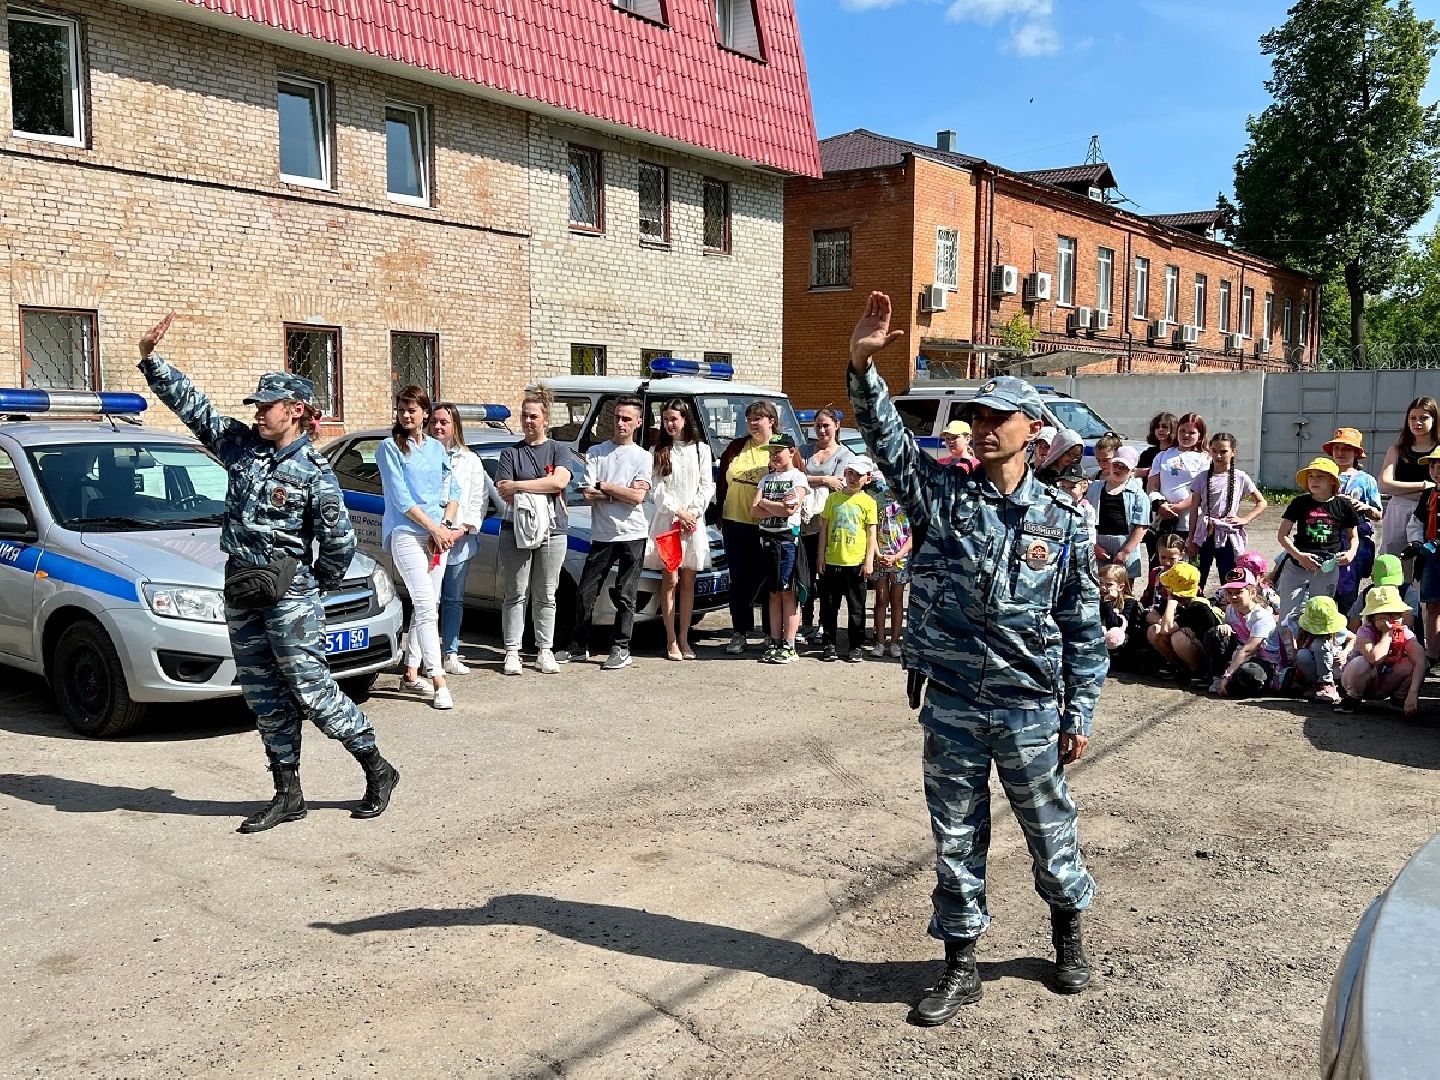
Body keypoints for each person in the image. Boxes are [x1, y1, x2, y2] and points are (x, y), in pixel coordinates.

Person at [846, 291, 1105, 1023]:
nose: (985, 429)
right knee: (955, 834)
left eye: (1000, 419)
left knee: (1049, 828)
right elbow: (889, 442)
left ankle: (1068, 937)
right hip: (955, 699)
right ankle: (960, 964)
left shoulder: (1064, 521)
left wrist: (1078, 708)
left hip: (1028, 704)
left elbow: (1081, 625)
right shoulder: (942, 498)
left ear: (1033, 430)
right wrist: (863, 364)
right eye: (978, 419)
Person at [135, 313, 398, 832]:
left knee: (310, 688)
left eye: (266, 406)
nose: (257, 414)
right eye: (256, 406)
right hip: (241, 586)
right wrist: (152, 360)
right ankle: (287, 793)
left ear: (295, 411)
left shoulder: (314, 472)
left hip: (288, 594)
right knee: (262, 694)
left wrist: (308, 583)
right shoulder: (242, 448)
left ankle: (377, 766)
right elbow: (197, 412)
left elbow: (340, 543)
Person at [378, 386, 458, 710]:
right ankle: (438, 679)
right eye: (401, 409)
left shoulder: (437, 449)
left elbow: (452, 487)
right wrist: (433, 528)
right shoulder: (389, 448)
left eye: (412, 409)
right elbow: (401, 499)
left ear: (425, 412)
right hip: (407, 533)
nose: (406, 415)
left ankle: (411, 673)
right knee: (425, 604)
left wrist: (446, 527)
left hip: (437, 536)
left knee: (429, 602)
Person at [560, 396, 652, 671]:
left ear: (638, 422)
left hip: (632, 533)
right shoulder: (597, 452)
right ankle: (578, 645)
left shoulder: (642, 456)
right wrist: (616, 491)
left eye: (626, 419)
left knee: (626, 593)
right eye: (617, 418)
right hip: (602, 535)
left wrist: (606, 487)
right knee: (585, 591)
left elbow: (637, 496)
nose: (620, 423)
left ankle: (621, 647)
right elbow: (588, 493)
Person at [495, 388, 574, 676]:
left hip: (554, 530)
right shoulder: (510, 453)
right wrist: (535, 484)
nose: (528, 421)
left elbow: (559, 483)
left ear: (545, 420)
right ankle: (512, 651)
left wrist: (519, 485)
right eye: (524, 416)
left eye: (534, 416)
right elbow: (503, 490)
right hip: (515, 529)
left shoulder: (558, 449)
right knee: (515, 593)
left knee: (546, 593)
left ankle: (544, 650)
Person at [430, 403, 503, 675]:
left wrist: (461, 530)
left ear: (454, 426)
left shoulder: (470, 460)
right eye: (434, 421)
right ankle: (427, 657)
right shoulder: (422, 455)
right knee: (428, 600)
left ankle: (450, 652)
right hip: (427, 537)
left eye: (444, 422)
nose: (438, 427)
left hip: (458, 539)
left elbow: (478, 500)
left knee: (453, 599)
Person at [648, 399, 715, 661]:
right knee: (670, 580)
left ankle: (685, 637)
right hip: (669, 522)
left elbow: (706, 485)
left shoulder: (701, 450)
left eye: (674, 419)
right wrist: (679, 512)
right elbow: (657, 489)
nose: (670, 424)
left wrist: (694, 513)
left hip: (693, 524)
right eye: (665, 419)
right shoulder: (659, 450)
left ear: (685, 419)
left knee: (688, 580)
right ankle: (670, 639)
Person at [717, 401, 782, 653]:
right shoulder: (736, 447)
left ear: (771, 421)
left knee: (768, 581)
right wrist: (720, 512)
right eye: (750, 419)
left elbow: (795, 478)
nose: (753, 423)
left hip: (767, 525)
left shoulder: (781, 446)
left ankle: (770, 633)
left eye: (758, 418)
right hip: (735, 523)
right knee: (739, 581)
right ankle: (740, 632)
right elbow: (722, 482)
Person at [1276, 457, 1359, 623]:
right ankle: (1289, 649)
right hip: (1297, 566)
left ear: (1332, 481)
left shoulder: (1343, 505)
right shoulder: (1300, 503)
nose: (1314, 480)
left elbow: (1353, 536)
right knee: (1287, 615)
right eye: (1311, 476)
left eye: (1320, 476)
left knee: (1321, 614)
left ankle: (1315, 648)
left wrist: (1351, 553)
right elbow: (1282, 535)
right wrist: (1299, 555)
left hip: (1326, 568)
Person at [1180, 433, 1267, 589]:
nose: (1218, 455)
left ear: (1233, 451)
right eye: (1214, 451)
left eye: (1223, 451)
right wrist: (1191, 538)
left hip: (1228, 534)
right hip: (1204, 533)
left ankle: (1228, 609)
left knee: (1229, 577)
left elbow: (1261, 502)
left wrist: (1245, 519)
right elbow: (1194, 511)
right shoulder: (1202, 477)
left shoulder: (1240, 477)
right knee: (1196, 576)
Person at [799, 406, 855, 644]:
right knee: (805, 576)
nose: (821, 430)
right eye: (818, 426)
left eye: (826, 426)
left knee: (826, 579)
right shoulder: (803, 450)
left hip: (829, 525)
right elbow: (794, 475)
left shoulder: (845, 455)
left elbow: (840, 484)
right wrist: (823, 479)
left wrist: (810, 480)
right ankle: (806, 622)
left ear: (836, 426)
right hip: (804, 523)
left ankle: (824, 623)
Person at [751, 434, 809, 663]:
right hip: (766, 540)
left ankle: (790, 644)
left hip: (787, 542)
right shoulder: (766, 480)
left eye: (778, 451)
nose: (773, 455)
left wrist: (765, 503)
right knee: (773, 593)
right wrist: (771, 505)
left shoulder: (798, 478)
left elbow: (790, 510)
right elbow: (753, 511)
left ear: (791, 452)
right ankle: (775, 640)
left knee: (788, 593)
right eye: (771, 452)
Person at [817, 458, 878, 662]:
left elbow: (871, 534)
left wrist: (868, 561)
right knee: (829, 606)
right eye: (850, 473)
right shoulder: (833, 499)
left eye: (858, 475)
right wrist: (820, 556)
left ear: (867, 479)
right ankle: (829, 643)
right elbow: (824, 529)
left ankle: (856, 645)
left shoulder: (869, 503)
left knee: (856, 607)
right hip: (833, 560)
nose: (853, 478)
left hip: (856, 563)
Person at [1337, 585, 1425, 715]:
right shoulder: (1365, 631)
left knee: (1414, 662)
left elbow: (1421, 660)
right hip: (1361, 681)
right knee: (1361, 662)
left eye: (1397, 614)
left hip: (1385, 683)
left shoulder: (1403, 631)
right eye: (1387, 614)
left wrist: (1413, 693)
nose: (1394, 619)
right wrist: (1386, 634)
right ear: (1373, 617)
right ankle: (1352, 698)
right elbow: (1375, 658)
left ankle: (1399, 698)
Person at [1327, 428, 1383, 615]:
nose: (1341, 453)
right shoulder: (1323, 475)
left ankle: (1349, 638)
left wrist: (1363, 506)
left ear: (1357, 453)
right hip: (1326, 540)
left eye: (1347, 449)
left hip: (1355, 543)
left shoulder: (1366, 480)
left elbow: (1378, 514)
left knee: (1348, 595)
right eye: (1337, 448)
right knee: (1324, 592)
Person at [1379, 396, 1440, 556]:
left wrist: (1400, 489)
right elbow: (1385, 485)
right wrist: (1425, 486)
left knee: (1425, 558)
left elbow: (1393, 487)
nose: (1417, 422)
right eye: (1412, 418)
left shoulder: (1438, 450)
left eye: (1423, 418)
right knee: (1394, 558)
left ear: (1434, 420)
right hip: (1399, 511)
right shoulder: (1397, 450)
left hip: (1431, 510)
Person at [1202, 569, 1278, 696]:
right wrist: (1225, 626)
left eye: (1239, 592)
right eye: (1229, 593)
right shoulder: (1231, 609)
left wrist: (1228, 675)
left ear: (1252, 593)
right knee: (1215, 633)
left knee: (1248, 673)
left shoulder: (1261, 616)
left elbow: (1249, 650)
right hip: (1239, 655)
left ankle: (1233, 682)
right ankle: (1218, 678)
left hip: (1263, 660)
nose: (1233, 597)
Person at [1148, 562, 1219, 681]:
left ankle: (1199, 672)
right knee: (1153, 630)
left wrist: (1171, 604)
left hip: (1206, 653)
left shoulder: (1197, 607)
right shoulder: (1174, 601)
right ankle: (1176, 665)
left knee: (1178, 637)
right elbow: (1150, 615)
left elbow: (1166, 629)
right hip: (1188, 648)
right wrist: (1162, 620)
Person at [1276, 595, 1354, 703]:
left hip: (1333, 665)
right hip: (1311, 666)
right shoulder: (1296, 623)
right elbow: (1294, 648)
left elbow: (1353, 638)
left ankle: (1328, 684)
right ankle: (1314, 684)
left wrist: (1344, 653)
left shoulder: (1337, 629)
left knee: (1320, 644)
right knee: (1302, 655)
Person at [1087, 446, 1148, 582]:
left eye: (1123, 467)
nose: (1118, 469)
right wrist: (1095, 546)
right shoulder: (1094, 488)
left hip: (1126, 544)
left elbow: (1141, 526)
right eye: (1116, 465)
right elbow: (1085, 520)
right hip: (1099, 544)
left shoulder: (1138, 494)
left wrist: (1125, 552)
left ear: (1132, 470)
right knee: (1099, 586)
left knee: (1124, 588)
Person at [1148, 412, 1210, 544]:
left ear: (1200, 436)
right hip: (1162, 522)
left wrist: (1178, 507)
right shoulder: (1162, 456)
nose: (1186, 435)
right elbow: (1152, 486)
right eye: (1182, 431)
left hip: (1188, 523)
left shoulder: (1204, 459)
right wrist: (1160, 505)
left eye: (1192, 432)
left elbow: (1201, 491)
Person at [1404, 447, 1440, 667]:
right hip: (1430, 558)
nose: (1436, 470)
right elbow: (1416, 521)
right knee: (1432, 605)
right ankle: (1432, 653)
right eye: (1433, 465)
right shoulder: (1428, 494)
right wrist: (1416, 542)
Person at [870, 475, 912, 660]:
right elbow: (870, 530)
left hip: (900, 558)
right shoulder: (876, 500)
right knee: (880, 600)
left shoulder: (909, 501)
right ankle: (880, 641)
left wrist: (897, 556)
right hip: (879, 557)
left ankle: (895, 642)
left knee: (897, 601)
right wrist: (878, 554)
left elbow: (913, 535)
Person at [1097, 564, 1148, 672]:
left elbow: (1116, 626)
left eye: (1109, 584)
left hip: (1121, 644)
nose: (1103, 587)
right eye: (1100, 583)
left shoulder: (1130, 603)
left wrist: (1107, 603)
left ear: (1120, 587)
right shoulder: (1095, 599)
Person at [1135, 412, 1177, 483]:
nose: (1160, 429)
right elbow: (1134, 472)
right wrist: (1150, 471)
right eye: (1157, 427)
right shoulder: (1147, 454)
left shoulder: (1179, 453)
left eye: (1165, 427)